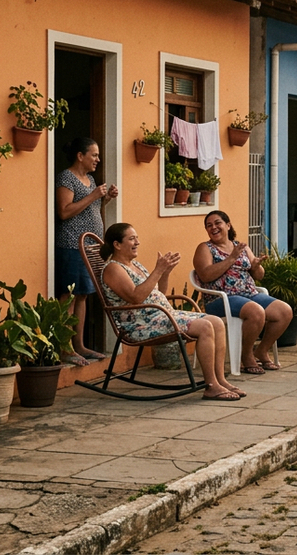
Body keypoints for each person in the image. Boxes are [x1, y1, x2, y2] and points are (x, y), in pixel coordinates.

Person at [99, 222, 242, 400]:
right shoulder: (113, 269)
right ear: (117, 244)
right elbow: (136, 297)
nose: (137, 242)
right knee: (205, 327)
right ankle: (211, 385)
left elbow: (158, 293)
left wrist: (165, 272)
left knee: (217, 322)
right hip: (141, 325)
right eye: (132, 238)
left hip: (161, 315)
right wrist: (158, 270)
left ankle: (220, 380)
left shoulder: (135, 265)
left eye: (137, 238)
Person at [193, 211, 292, 374]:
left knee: (284, 311)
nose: (214, 227)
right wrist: (231, 258)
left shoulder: (240, 246)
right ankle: (246, 357)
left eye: (218, 223)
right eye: (209, 225)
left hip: (250, 294)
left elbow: (259, 276)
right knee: (256, 312)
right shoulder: (205, 248)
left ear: (228, 225)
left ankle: (261, 350)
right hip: (221, 298)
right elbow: (205, 275)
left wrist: (256, 266)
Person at [55, 137, 117, 367]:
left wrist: (106, 198)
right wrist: (93, 196)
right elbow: (64, 211)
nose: (98, 159)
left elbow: (90, 208)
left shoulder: (90, 179)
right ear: (80, 156)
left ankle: (79, 345)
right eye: (94, 155)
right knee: (69, 295)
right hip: (72, 244)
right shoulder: (66, 178)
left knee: (82, 295)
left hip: (91, 247)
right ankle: (64, 347)